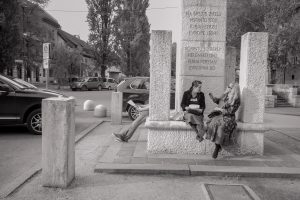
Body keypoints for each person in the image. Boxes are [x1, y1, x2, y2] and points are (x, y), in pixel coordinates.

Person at [206, 82, 241, 159]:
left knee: (221, 126)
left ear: (234, 89)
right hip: (220, 115)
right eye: (228, 86)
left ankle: (217, 147)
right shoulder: (226, 95)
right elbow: (219, 102)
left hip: (229, 117)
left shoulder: (236, 99)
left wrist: (220, 109)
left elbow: (230, 111)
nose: (227, 87)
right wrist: (214, 98)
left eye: (229, 87)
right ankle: (217, 145)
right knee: (210, 122)